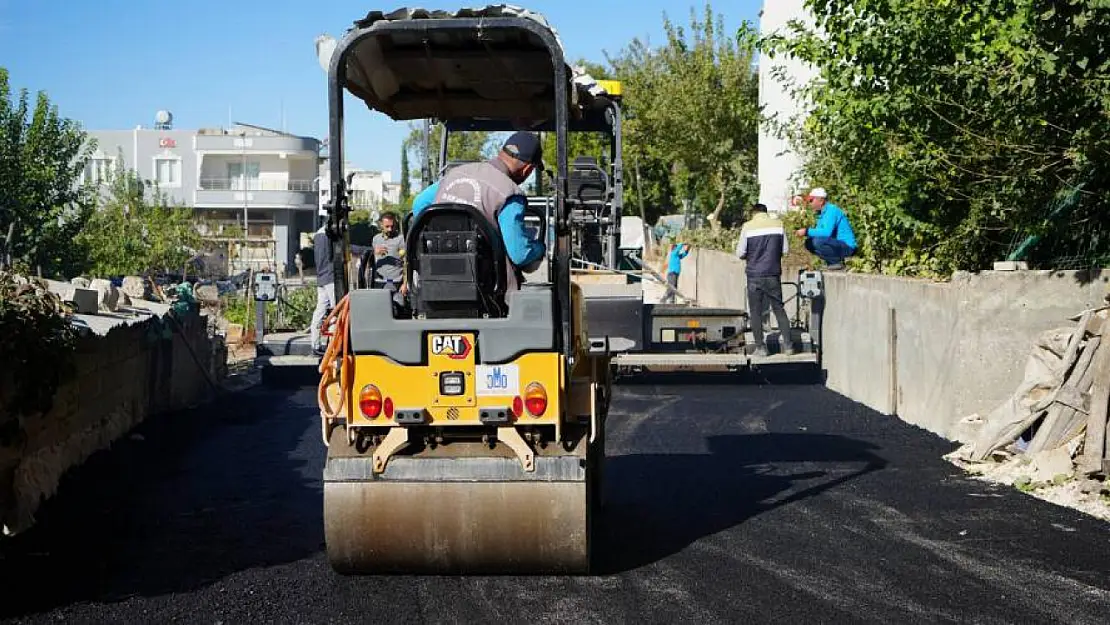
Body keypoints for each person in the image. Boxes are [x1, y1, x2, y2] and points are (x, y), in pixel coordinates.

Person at [408, 131, 546, 294]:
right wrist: (539, 247)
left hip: (436, 281)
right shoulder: (510, 193)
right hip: (488, 292)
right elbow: (520, 255)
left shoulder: (455, 174)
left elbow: (419, 205)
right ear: (527, 170)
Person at [736, 203, 796, 356]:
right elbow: (785, 250)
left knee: (755, 312)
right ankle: (788, 346)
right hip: (773, 274)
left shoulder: (748, 227)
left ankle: (761, 348)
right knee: (779, 309)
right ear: (765, 212)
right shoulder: (779, 225)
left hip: (754, 276)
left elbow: (740, 252)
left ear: (754, 213)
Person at [793, 187, 857, 270]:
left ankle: (836, 262)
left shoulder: (832, 210)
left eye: (811, 200)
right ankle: (832, 263)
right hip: (837, 245)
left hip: (848, 247)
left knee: (818, 241)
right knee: (809, 243)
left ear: (821, 200)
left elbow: (826, 233)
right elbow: (819, 233)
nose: (810, 203)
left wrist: (806, 231)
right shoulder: (821, 214)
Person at [368, 211, 407, 306]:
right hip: (379, 282)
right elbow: (369, 262)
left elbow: (406, 262)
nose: (390, 229)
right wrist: (374, 252)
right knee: (380, 308)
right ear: (381, 224)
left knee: (398, 307)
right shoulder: (376, 239)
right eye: (387, 226)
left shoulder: (400, 239)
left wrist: (405, 284)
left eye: (392, 226)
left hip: (396, 282)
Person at [310, 224, 335, 354]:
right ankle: (334, 343)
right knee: (337, 311)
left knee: (320, 310)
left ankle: (315, 344)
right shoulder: (329, 235)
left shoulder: (318, 235)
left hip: (321, 277)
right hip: (330, 277)